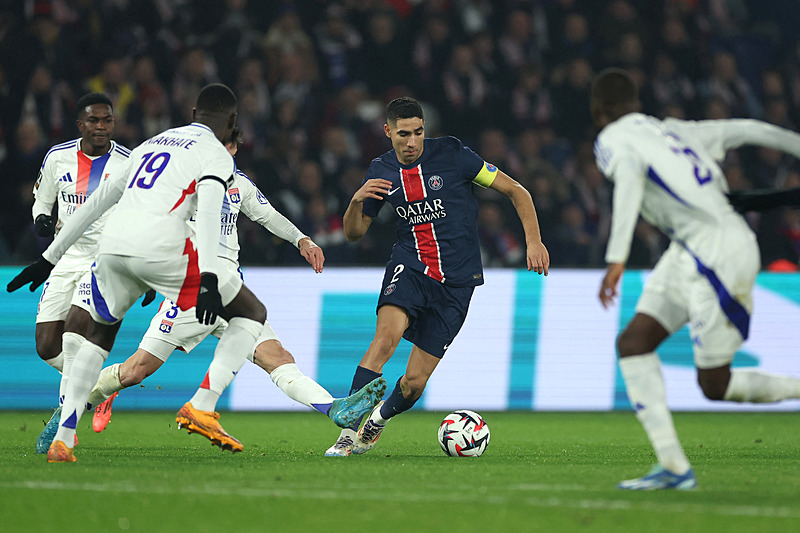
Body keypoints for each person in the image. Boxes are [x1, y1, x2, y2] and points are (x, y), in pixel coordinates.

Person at [9, 84, 258, 462]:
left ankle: (64, 438)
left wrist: (48, 257)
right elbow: (207, 212)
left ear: (193, 114)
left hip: (111, 249)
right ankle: (202, 405)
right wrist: (208, 276)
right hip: (163, 249)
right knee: (251, 313)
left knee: (95, 337)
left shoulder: (152, 143)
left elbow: (97, 201)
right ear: (232, 122)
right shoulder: (216, 155)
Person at [82, 128, 385, 435]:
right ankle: (80, 401)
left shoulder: (238, 184)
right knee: (135, 371)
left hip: (231, 294)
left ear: (234, 149)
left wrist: (302, 240)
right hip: (191, 291)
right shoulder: (179, 180)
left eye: (227, 147)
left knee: (278, 357)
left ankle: (335, 407)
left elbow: (268, 216)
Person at [591, 68, 800, 491]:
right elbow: (751, 127)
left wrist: (616, 258)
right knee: (633, 343)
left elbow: (629, 175)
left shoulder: (612, 140)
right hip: (689, 248)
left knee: (715, 383)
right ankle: (673, 468)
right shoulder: (674, 130)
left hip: (719, 250)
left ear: (600, 113)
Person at [326, 96, 550, 457]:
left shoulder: (453, 155)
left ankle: (376, 421)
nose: (412, 141)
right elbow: (354, 233)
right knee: (385, 339)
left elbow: (516, 190)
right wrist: (355, 201)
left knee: (414, 383)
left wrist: (534, 241)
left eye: (418, 132)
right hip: (410, 266)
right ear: (388, 132)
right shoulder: (380, 171)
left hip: (457, 282)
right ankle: (347, 435)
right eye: (403, 134)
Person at [27, 93, 137, 454]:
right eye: (94, 120)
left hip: (104, 261)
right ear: (81, 125)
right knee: (47, 346)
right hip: (64, 257)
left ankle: (63, 434)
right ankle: (100, 385)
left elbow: (141, 212)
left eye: (107, 120)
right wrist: (42, 219)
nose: (101, 127)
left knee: (75, 337)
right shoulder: (58, 157)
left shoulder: (128, 162)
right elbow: (42, 199)